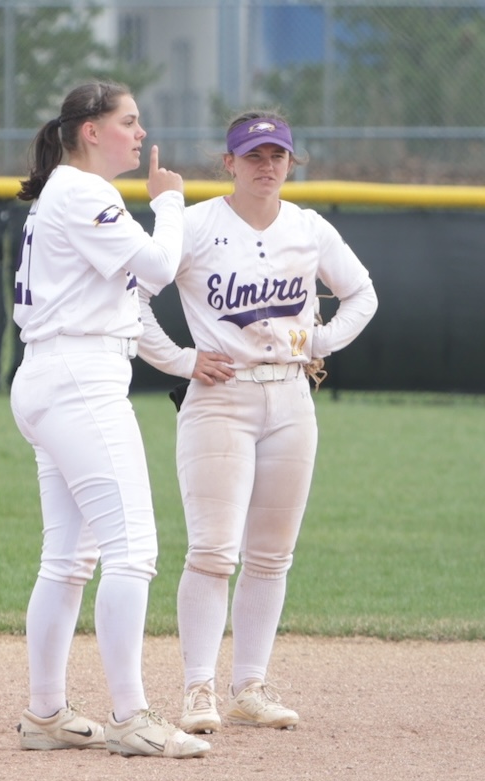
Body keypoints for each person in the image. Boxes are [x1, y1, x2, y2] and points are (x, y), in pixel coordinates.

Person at [137, 110, 378, 733]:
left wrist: (321, 341)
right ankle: (197, 689)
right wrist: (181, 360)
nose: (266, 166)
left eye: (277, 156)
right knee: (213, 551)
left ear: (290, 163)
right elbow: (132, 299)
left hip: (292, 399)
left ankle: (249, 686)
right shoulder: (195, 225)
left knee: (272, 555)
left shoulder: (308, 227)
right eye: (253, 156)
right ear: (229, 163)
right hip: (221, 398)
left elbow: (363, 294)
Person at [10, 80, 209, 759]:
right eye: (129, 120)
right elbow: (157, 266)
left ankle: (45, 713)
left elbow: (130, 298)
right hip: (79, 378)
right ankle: (131, 716)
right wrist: (171, 202)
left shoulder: (67, 193)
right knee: (132, 551)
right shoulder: (83, 192)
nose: (140, 131)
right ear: (91, 130)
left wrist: (181, 360)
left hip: (56, 373)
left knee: (69, 559)